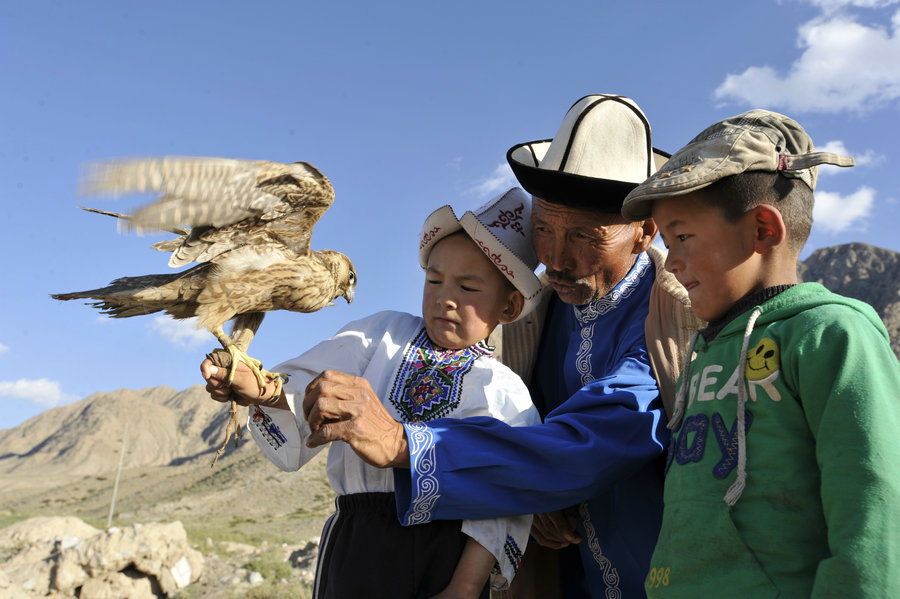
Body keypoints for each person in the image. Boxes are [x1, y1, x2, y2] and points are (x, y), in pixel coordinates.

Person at [302, 94, 702, 598]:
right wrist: (534, 497)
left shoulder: (673, 319)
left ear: (644, 232)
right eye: (543, 230)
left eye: (584, 236)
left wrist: (403, 444)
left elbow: (601, 440)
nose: (555, 259)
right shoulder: (526, 318)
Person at [202, 188, 544, 598]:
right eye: (434, 280)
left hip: (445, 555)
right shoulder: (383, 334)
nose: (445, 298)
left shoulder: (505, 392)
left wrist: (465, 586)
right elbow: (309, 388)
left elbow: (503, 494)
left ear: (508, 308)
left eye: (468, 288)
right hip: (357, 541)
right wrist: (255, 389)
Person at [620, 109, 900, 597]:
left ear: (764, 230)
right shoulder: (705, 349)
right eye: (666, 241)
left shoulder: (830, 334)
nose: (673, 259)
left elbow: (874, 508)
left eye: (682, 236)